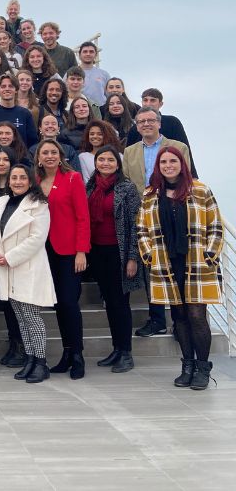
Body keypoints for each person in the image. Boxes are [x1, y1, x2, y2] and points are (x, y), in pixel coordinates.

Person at [137, 146, 223, 390]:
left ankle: (203, 368)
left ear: (181, 163)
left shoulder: (200, 190)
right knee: (179, 316)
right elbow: (142, 228)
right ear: (158, 166)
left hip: (196, 261)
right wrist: (149, 254)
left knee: (197, 315)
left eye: (172, 161)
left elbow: (215, 225)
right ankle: (187, 365)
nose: (168, 165)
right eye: (163, 162)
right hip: (166, 262)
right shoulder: (150, 194)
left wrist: (210, 254)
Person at [0, 164, 54, 383]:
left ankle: (41, 363)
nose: (17, 181)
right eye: (14, 177)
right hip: (6, 268)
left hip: (28, 268)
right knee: (21, 318)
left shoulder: (39, 205)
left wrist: (10, 257)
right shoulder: (2, 203)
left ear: (30, 180)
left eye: (22, 178)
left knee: (32, 318)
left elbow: (37, 238)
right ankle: (30, 359)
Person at [34, 139, 90, 380]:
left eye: (53, 152)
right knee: (57, 303)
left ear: (60, 156)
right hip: (42, 252)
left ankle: (77, 354)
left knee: (69, 302)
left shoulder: (73, 178)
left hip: (68, 251)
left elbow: (82, 217)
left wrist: (81, 251)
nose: (49, 156)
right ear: (38, 157)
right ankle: (67, 353)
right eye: (44, 152)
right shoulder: (34, 182)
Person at [86, 146, 143, 374]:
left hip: (119, 253)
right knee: (110, 302)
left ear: (118, 164)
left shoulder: (127, 188)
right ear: (96, 163)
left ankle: (126, 352)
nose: (106, 163)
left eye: (110, 160)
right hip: (98, 252)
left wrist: (132, 258)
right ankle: (116, 349)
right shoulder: (90, 187)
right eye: (102, 159)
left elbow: (135, 225)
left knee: (121, 303)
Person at [125, 88, 197, 177]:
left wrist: (192, 176)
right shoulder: (134, 129)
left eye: (152, 100)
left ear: (160, 104)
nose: (148, 103)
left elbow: (185, 150)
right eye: (145, 100)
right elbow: (129, 158)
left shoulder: (172, 122)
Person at [122, 107, 191, 196]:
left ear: (159, 124)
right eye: (141, 121)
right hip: (140, 205)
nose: (146, 124)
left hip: (171, 201)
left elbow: (185, 177)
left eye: (151, 120)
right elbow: (126, 180)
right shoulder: (129, 151)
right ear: (137, 127)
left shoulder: (180, 148)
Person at [0, 74, 38, 147]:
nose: (7, 89)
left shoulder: (25, 114)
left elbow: (33, 143)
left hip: (20, 157)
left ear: (16, 90)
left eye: (10, 86)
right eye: (3, 87)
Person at [77, 42, 109, 106]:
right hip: (79, 109)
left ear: (96, 55)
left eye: (91, 52)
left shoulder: (104, 74)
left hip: (101, 111)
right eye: (85, 52)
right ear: (79, 55)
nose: (88, 54)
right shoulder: (71, 74)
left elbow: (109, 96)